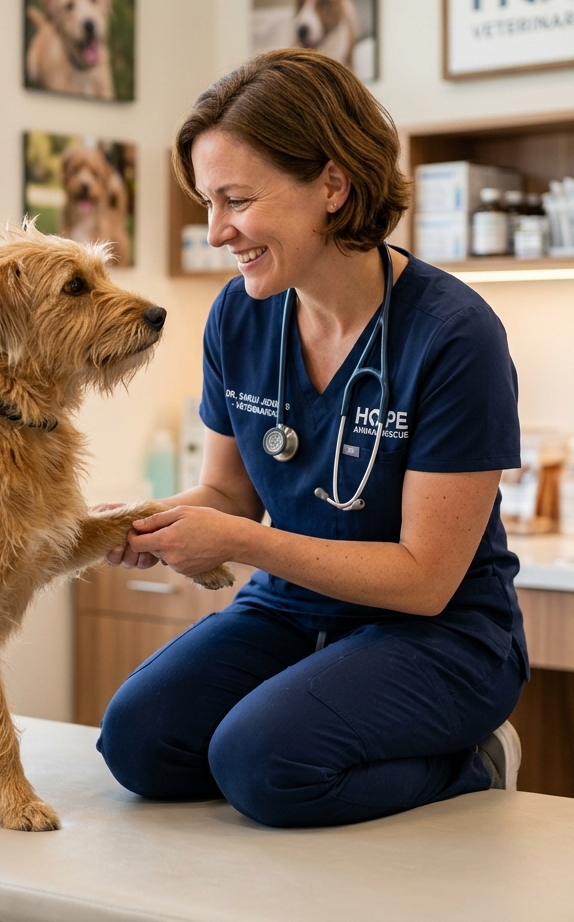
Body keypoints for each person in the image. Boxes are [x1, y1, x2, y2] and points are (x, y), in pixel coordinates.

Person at [95, 48, 529, 829]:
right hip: (294, 610)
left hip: (438, 634)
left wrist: (238, 542)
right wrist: (150, 524)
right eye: (207, 201)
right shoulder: (240, 313)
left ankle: (474, 761)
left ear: (332, 185)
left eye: (236, 199)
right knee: (138, 744)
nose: (218, 230)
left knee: (260, 765)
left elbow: (426, 578)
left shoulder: (454, 336)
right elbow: (230, 493)